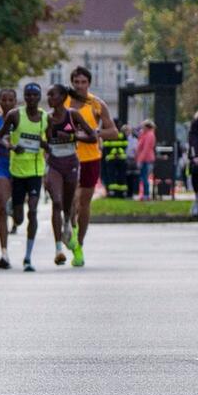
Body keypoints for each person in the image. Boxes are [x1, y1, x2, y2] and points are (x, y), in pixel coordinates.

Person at [64, 66, 116, 265]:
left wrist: (95, 134)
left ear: (89, 83)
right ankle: (71, 229)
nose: (79, 86)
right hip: (68, 158)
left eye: (83, 82)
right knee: (72, 202)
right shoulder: (65, 102)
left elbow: (113, 131)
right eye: (76, 82)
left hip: (90, 158)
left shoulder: (96, 104)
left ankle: (79, 243)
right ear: (72, 83)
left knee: (84, 203)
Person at [44, 84, 96, 266]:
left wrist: (74, 137)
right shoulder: (47, 118)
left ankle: (68, 223)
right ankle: (58, 249)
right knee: (56, 202)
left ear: (63, 97)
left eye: (53, 95)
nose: (49, 98)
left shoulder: (72, 115)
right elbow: (44, 142)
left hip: (71, 163)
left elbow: (93, 136)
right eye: (48, 95)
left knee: (68, 205)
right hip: (54, 164)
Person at [1, 83, 47, 271]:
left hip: (36, 171)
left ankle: (28, 257)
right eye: (27, 95)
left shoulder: (45, 117)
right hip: (18, 171)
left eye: (34, 95)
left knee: (33, 211)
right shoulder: (15, 115)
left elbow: (50, 139)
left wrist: (46, 144)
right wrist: (12, 147)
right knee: (19, 218)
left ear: (39, 97)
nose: (31, 98)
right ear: (24, 97)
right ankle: (14, 208)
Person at [0, 87, 17, 269]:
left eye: (10, 100)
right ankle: (4, 252)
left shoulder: (21, 118)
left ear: (15, 102)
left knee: (19, 211)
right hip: (1, 166)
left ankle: (16, 216)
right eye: (3, 100)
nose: (6, 103)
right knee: (0, 206)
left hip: (21, 167)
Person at [135, 119, 156, 200]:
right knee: (143, 177)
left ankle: (146, 194)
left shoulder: (150, 135)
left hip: (146, 159)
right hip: (143, 158)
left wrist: (140, 160)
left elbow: (146, 149)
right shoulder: (144, 134)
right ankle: (144, 193)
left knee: (144, 178)